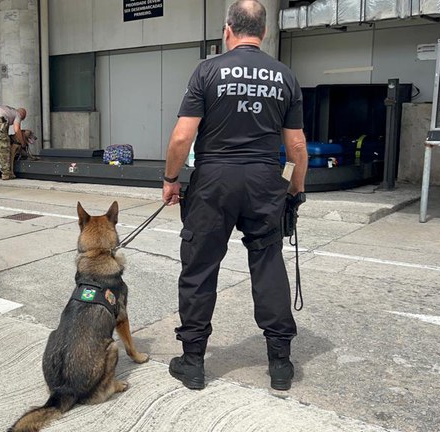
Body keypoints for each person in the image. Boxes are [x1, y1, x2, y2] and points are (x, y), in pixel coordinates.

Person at [161, 0, 308, 392]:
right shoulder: (284, 77)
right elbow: (296, 147)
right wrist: (294, 190)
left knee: (200, 266)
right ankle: (280, 364)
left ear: (228, 29)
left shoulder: (207, 70)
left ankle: (192, 362)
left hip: (214, 181)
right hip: (264, 180)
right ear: (263, 31)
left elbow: (181, 136)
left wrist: (171, 179)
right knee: (267, 263)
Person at [0, 106, 27, 180]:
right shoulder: (18, 115)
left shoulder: (9, 111)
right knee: (4, 149)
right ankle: (6, 174)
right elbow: (17, 130)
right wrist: (22, 143)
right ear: (22, 115)